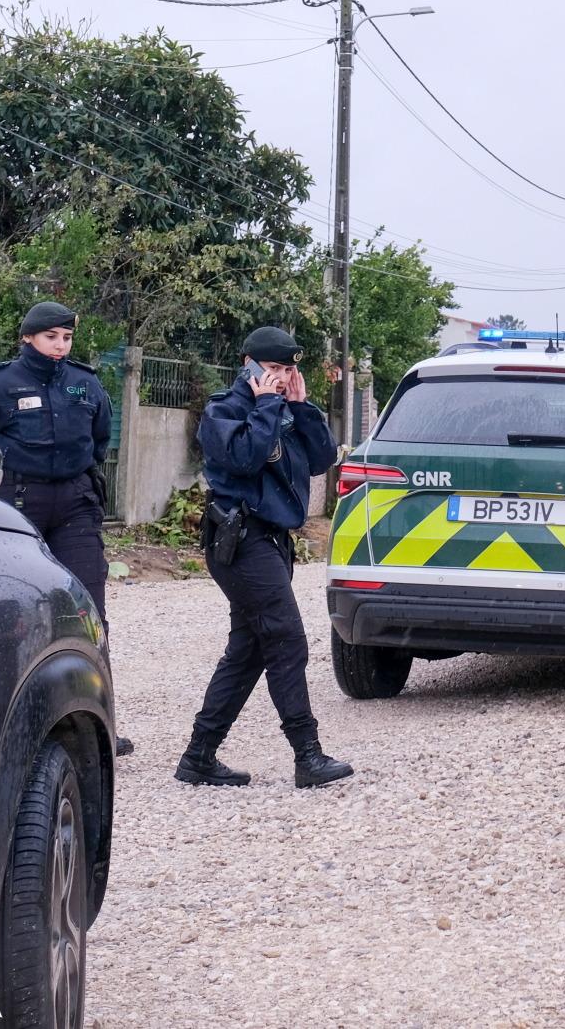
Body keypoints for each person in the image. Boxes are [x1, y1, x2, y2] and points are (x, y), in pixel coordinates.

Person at [175, 326, 352, 789]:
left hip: (273, 541)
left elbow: (321, 459)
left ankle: (199, 755)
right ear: (248, 363)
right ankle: (307, 756)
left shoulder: (287, 407)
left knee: (250, 648)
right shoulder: (224, 409)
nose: (280, 378)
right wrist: (269, 404)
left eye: (288, 370)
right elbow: (247, 458)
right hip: (239, 539)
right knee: (287, 639)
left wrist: (300, 405)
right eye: (273, 369)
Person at [0, 301, 132, 756]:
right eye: (51, 337)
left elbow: (98, 442)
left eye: (67, 338)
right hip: (16, 506)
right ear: (27, 338)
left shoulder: (87, 384)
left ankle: (101, 721)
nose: (60, 346)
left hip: (75, 505)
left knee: (88, 610)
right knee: (12, 612)